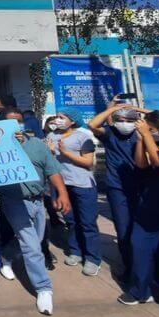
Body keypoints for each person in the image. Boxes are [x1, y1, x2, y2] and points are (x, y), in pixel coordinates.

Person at [0, 108, 72, 315]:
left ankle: (5, 256)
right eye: (10, 122)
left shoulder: (37, 145)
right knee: (31, 246)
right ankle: (44, 288)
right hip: (14, 201)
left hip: (37, 201)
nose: (16, 126)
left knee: (35, 240)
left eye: (18, 121)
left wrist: (62, 193)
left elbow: (52, 170)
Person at [117, 111, 159, 306]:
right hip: (150, 205)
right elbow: (141, 164)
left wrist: (146, 135)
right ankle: (139, 290)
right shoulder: (151, 143)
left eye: (152, 129)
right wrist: (143, 140)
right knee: (140, 246)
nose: (147, 131)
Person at [88, 101, 149, 279]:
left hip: (142, 187)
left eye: (128, 119)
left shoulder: (142, 134)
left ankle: (147, 266)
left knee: (145, 230)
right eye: (120, 119)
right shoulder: (110, 134)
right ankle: (130, 268)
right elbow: (92, 124)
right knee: (123, 230)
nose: (124, 123)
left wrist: (136, 109)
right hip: (118, 188)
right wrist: (113, 108)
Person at [47, 108, 101, 276]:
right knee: (70, 221)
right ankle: (75, 251)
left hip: (82, 184)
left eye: (62, 117)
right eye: (57, 117)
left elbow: (88, 162)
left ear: (72, 121)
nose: (58, 120)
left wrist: (65, 153)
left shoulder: (83, 137)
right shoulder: (51, 136)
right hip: (62, 185)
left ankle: (92, 258)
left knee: (87, 222)